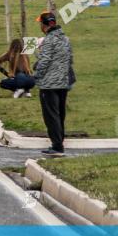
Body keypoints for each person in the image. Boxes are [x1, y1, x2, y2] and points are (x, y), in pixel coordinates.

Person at [33, 12, 73, 156]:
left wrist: (36, 75)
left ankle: (57, 146)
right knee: (60, 114)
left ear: (44, 25)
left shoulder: (48, 40)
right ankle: (59, 142)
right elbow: (70, 59)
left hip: (49, 85)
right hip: (63, 83)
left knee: (51, 115)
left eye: (40, 23)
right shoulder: (65, 39)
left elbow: (44, 61)